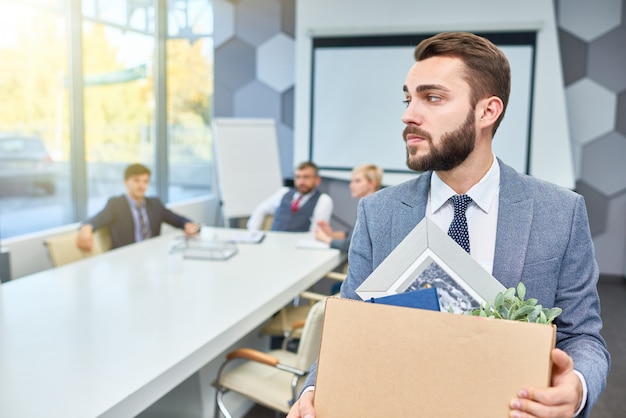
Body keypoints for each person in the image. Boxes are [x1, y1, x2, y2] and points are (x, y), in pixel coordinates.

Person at [287, 32, 609, 418]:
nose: (409, 114)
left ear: (487, 112)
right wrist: (313, 389)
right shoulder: (378, 213)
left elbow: (583, 336)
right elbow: (349, 333)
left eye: (432, 98)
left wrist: (577, 388)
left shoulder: (560, 212)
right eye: (408, 98)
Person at [76, 163, 200, 251]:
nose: (141, 185)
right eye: (136, 180)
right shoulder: (116, 204)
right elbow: (98, 219)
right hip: (124, 261)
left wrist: (187, 224)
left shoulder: (154, 204)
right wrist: (86, 228)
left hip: (152, 257)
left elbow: (177, 219)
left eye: (145, 181)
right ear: (125, 182)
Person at [247, 161, 333, 232]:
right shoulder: (283, 192)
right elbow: (261, 209)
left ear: (317, 180)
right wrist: (253, 232)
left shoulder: (323, 200)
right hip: (273, 242)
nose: (301, 182)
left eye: (306, 177)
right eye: (298, 177)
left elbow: (316, 232)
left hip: (298, 247)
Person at [313, 164, 383, 252]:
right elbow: (352, 234)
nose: (351, 185)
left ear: (372, 184)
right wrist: (331, 234)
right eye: (352, 181)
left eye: (357, 181)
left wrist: (326, 239)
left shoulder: (372, 209)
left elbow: (351, 245)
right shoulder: (371, 205)